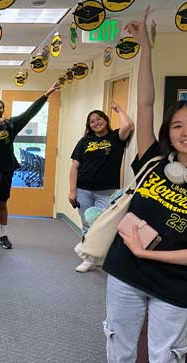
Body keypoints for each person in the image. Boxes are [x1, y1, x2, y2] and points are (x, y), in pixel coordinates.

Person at [101, 8, 187, 363]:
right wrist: (146, 45)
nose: (186, 131)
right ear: (169, 135)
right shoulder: (153, 163)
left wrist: (148, 253)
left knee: (166, 357)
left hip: (171, 285)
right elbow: (144, 104)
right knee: (120, 348)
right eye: (177, 126)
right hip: (125, 273)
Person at [0, 81, 60, 249]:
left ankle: (3, 235)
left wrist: (46, 94)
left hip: (6, 170)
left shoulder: (11, 125)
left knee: (2, 203)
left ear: (3, 110)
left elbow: (30, 113)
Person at [69, 103, 134, 272]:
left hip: (107, 191)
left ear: (105, 120)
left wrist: (119, 110)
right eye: (92, 121)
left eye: (99, 119)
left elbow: (128, 125)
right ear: (89, 126)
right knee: (86, 223)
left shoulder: (115, 138)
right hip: (83, 189)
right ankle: (88, 258)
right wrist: (72, 190)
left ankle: (96, 255)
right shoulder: (84, 141)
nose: (96, 122)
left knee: (100, 223)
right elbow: (75, 166)